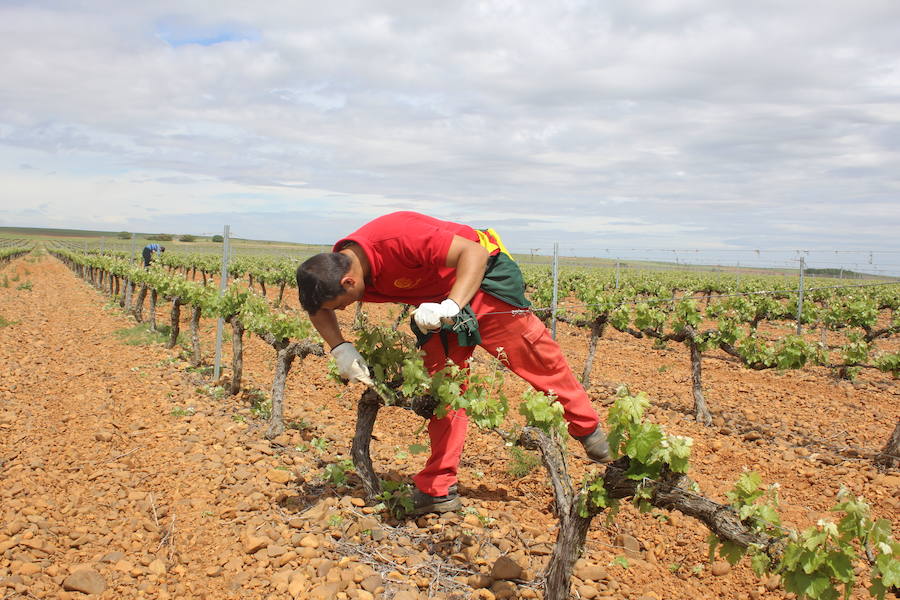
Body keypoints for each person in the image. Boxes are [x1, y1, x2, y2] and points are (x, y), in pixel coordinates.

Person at [296, 211, 610, 515]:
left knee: (536, 359)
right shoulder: (329, 276)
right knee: (444, 390)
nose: (345, 309)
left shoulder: (398, 238)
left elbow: (474, 253)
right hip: (434, 303)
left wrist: (452, 304)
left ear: (349, 282)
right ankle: (439, 488)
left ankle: (590, 432)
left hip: (481, 279)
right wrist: (340, 348)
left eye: (343, 304)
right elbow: (318, 308)